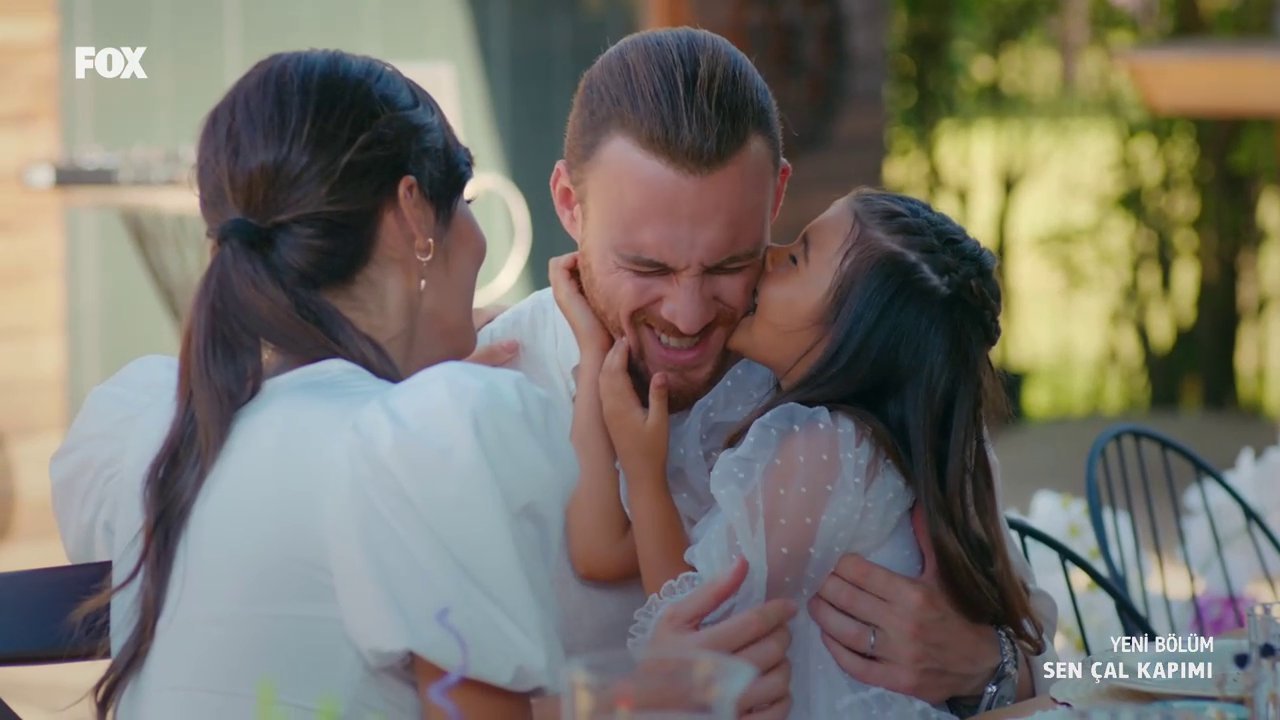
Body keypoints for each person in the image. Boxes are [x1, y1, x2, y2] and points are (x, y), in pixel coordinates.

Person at [49, 49, 792, 719]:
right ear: (414, 215)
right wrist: (638, 697)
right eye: (465, 204)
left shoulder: (172, 423)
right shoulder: (430, 435)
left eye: (728, 264)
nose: (480, 242)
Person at [478, 26, 1059, 717]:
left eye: (731, 263)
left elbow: (1049, 650)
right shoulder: (484, 394)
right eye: (647, 267)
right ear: (569, 204)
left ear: (777, 197)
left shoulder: (872, 378)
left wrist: (985, 667)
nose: (689, 314)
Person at [554, 187, 1048, 718]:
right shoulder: (890, 436)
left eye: (796, 258)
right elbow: (604, 552)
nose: (769, 256)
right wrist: (592, 352)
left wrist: (644, 473)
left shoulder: (823, 451)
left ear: (852, 332)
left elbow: (699, 638)